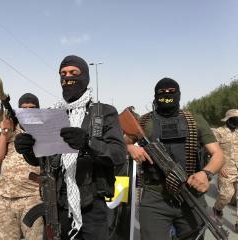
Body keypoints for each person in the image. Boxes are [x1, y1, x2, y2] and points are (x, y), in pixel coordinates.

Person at [14, 55, 126, 240]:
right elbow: (42, 159)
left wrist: (88, 143)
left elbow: (119, 154)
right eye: (63, 74)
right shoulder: (52, 114)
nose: (68, 77)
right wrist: (27, 149)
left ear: (86, 76)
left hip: (93, 206)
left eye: (74, 73)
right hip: (58, 204)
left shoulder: (103, 112)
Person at [126, 77, 223, 240]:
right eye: (161, 93)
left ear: (178, 94)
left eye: (171, 92)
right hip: (154, 197)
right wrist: (130, 148)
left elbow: (218, 155)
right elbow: (120, 144)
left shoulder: (193, 120)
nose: (166, 95)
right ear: (155, 96)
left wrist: (205, 174)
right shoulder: (144, 121)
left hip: (191, 195)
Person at [0, 93, 44, 240]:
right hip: (5, 200)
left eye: (32, 108)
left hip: (32, 199)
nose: (27, 111)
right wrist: (4, 133)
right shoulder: (11, 130)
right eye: (24, 108)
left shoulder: (44, 132)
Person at [212, 109, 238, 232]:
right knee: (226, 195)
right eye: (234, 119)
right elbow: (212, 151)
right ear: (228, 119)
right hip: (226, 170)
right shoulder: (218, 132)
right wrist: (220, 166)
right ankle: (217, 209)